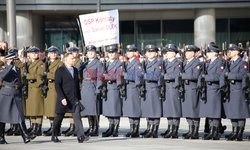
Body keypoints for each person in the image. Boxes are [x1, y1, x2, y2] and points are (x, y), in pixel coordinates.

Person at [51, 52, 89, 143]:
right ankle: (54, 135)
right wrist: (62, 98)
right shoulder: (60, 70)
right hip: (64, 98)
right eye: (72, 59)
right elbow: (57, 86)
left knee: (77, 117)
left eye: (74, 58)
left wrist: (79, 97)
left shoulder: (75, 70)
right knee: (59, 118)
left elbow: (76, 85)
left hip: (74, 98)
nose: (74, 60)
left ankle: (81, 136)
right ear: (66, 59)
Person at [0, 53, 36, 144]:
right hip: (6, 93)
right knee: (3, 117)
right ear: (8, 60)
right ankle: (1, 137)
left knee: (20, 115)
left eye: (15, 59)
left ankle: (26, 136)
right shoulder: (3, 69)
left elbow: (19, 81)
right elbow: (2, 77)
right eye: (12, 59)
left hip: (16, 93)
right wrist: (8, 66)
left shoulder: (17, 69)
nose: (14, 61)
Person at [221, 44, 249, 141]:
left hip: (238, 90)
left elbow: (243, 75)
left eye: (232, 50)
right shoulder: (229, 63)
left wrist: (229, 76)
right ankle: (234, 131)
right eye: (229, 50)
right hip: (230, 90)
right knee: (233, 112)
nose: (230, 52)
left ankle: (239, 132)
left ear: (237, 52)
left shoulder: (242, 63)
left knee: (240, 112)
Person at [199, 44, 224, 140]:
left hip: (215, 89)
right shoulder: (208, 63)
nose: (207, 54)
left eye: (209, 52)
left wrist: (206, 78)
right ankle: (211, 131)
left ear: (214, 53)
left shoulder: (220, 63)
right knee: (209, 111)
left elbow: (219, 76)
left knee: (215, 112)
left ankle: (215, 131)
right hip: (208, 89)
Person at [77, 45, 102, 137]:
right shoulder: (84, 63)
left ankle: (95, 129)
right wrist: (81, 61)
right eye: (88, 52)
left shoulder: (98, 63)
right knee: (87, 109)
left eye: (92, 51)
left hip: (93, 86)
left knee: (94, 109)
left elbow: (100, 77)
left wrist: (98, 88)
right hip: (85, 87)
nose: (90, 53)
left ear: (95, 53)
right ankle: (91, 127)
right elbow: (77, 70)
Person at [140, 44, 162, 138]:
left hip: (154, 88)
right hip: (146, 88)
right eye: (148, 51)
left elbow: (156, 76)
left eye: (152, 51)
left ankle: (154, 130)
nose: (149, 53)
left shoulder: (158, 63)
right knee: (148, 109)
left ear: (156, 53)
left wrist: (144, 76)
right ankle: (149, 128)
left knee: (155, 110)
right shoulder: (144, 63)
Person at [161, 44, 182, 139]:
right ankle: (169, 128)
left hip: (173, 87)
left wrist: (165, 77)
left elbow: (176, 75)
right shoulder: (164, 63)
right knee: (168, 109)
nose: (168, 53)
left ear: (174, 53)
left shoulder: (177, 63)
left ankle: (175, 130)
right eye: (167, 51)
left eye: (170, 52)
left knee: (175, 109)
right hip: (166, 87)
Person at [181, 45, 202, 139]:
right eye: (186, 52)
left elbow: (195, 76)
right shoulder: (185, 63)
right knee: (188, 110)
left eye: (189, 52)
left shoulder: (197, 62)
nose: (186, 54)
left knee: (194, 110)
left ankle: (195, 131)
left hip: (193, 89)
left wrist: (183, 75)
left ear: (193, 53)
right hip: (186, 88)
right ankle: (190, 129)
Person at [102, 45, 123, 137]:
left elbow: (118, 76)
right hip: (107, 88)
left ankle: (115, 129)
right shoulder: (105, 64)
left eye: (113, 53)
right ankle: (110, 127)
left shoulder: (119, 64)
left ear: (116, 53)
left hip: (114, 88)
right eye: (109, 53)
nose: (111, 54)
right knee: (109, 110)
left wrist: (106, 77)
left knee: (115, 110)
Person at [42, 46, 64, 136]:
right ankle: (52, 127)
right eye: (51, 53)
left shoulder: (60, 63)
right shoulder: (46, 63)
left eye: (55, 53)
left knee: (55, 110)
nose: (53, 54)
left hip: (55, 88)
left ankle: (56, 129)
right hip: (48, 88)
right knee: (50, 110)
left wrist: (48, 75)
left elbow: (58, 75)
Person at [122, 45, 143, 138]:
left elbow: (137, 76)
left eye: (131, 51)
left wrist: (125, 75)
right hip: (127, 87)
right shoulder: (126, 63)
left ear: (135, 53)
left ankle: (136, 130)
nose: (128, 53)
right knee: (130, 109)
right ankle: (131, 128)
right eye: (128, 51)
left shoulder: (137, 63)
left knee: (135, 109)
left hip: (134, 87)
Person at [62, 46, 81, 136]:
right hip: (69, 88)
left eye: (74, 52)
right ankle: (72, 126)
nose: (73, 54)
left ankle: (75, 128)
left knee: (75, 111)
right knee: (70, 110)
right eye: (71, 52)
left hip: (75, 88)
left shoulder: (78, 62)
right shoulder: (68, 61)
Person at [25, 46, 44, 136]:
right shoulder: (28, 63)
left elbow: (39, 75)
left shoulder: (40, 63)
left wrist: (28, 76)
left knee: (37, 109)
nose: (34, 54)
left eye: (36, 53)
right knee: (31, 109)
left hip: (36, 88)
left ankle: (38, 128)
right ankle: (33, 126)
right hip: (29, 87)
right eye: (33, 53)